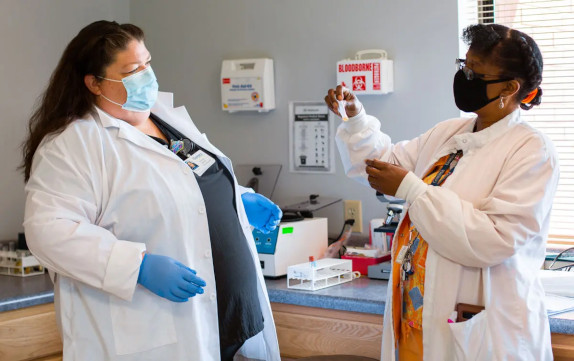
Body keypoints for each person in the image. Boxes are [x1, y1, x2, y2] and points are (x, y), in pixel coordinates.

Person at [22, 20, 282, 361]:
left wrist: (237, 198)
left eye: (147, 62)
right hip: (157, 333)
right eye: (132, 69)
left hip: (234, 325)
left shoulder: (164, 117)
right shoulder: (73, 144)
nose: (146, 74)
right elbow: (48, 230)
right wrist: (137, 266)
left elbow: (184, 182)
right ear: (95, 83)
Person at [325, 23, 559, 360]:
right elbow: (385, 164)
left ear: (510, 87)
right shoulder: (451, 132)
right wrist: (357, 120)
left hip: (483, 330)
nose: (465, 76)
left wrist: (410, 189)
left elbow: (493, 239)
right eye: (464, 65)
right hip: (416, 318)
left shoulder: (531, 151)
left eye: (476, 72)